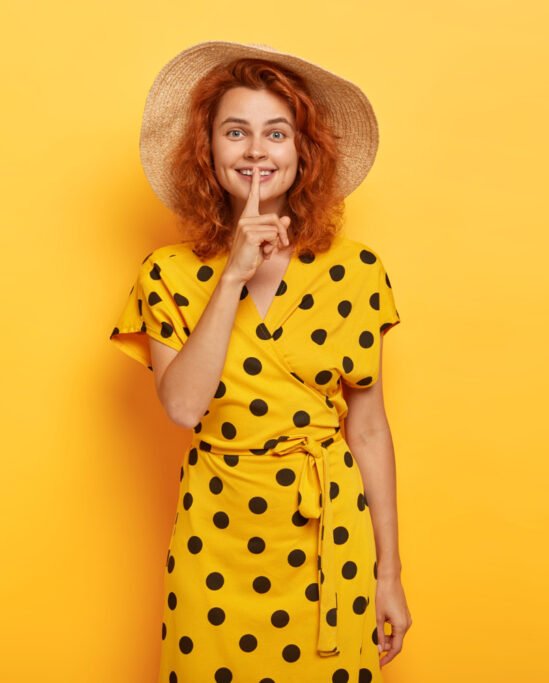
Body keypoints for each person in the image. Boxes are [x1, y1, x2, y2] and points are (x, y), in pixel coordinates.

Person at [108, 41, 412, 682]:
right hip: (215, 540)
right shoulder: (167, 273)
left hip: (331, 539)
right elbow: (185, 406)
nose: (255, 150)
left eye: (276, 133)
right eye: (235, 131)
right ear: (208, 149)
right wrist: (231, 279)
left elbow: (370, 429)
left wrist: (390, 573)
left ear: (302, 152)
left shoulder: (357, 273)